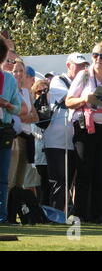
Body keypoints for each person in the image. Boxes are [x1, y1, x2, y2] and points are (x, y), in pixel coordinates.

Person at [66, 43, 102, 224]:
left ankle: (97, 214)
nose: (99, 59)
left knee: (100, 171)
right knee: (84, 169)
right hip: (85, 126)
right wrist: (85, 99)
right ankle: (79, 214)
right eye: (95, 55)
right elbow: (68, 101)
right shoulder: (83, 75)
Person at [44, 53, 89, 211]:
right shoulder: (58, 81)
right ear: (68, 65)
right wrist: (88, 96)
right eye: (78, 65)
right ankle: (55, 215)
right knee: (59, 182)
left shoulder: (85, 83)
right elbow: (70, 100)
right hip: (56, 141)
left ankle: (65, 214)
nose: (82, 68)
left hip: (73, 141)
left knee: (69, 182)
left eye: (84, 66)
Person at [0, 37, 21, 223]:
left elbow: (18, 107)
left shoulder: (8, 79)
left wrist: (6, 104)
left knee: (3, 176)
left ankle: (2, 215)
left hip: (3, 130)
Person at [9, 59, 39, 189]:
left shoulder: (26, 92)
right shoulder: (10, 90)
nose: (19, 74)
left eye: (21, 71)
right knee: (10, 178)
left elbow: (35, 116)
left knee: (20, 181)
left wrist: (24, 116)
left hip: (26, 138)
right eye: (15, 71)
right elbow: (16, 113)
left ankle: (16, 207)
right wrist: (26, 115)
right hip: (15, 138)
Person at [31, 79, 50, 205]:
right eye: (39, 91)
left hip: (50, 151)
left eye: (46, 91)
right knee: (37, 183)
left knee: (47, 183)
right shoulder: (31, 108)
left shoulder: (52, 109)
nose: (42, 94)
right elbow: (33, 130)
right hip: (37, 152)